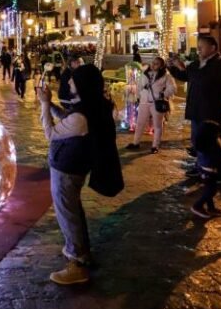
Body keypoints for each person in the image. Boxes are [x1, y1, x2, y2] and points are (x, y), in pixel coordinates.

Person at [38, 64, 117, 285]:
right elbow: (68, 118)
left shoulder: (82, 117)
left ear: (82, 85)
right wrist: (51, 105)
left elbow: (50, 133)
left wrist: (45, 105)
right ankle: (81, 251)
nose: (69, 83)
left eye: (73, 80)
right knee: (72, 210)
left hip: (67, 169)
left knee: (67, 213)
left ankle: (78, 263)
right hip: (73, 166)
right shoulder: (91, 107)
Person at [168, 35, 221, 183]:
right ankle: (201, 166)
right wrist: (172, 67)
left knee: (205, 142)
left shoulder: (219, 65)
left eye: (201, 47)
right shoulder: (199, 63)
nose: (198, 50)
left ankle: (216, 170)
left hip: (209, 112)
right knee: (198, 142)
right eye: (198, 47)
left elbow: (204, 79)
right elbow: (186, 76)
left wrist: (185, 67)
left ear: (213, 48)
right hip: (196, 110)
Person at [126, 56, 177, 153]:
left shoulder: (166, 76)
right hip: (144, 101)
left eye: (156, 63)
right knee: (140, 122)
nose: (153, 65)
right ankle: (135, 143)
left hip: (157, 102)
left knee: (157, 125)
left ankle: (155, 146)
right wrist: (139, 95)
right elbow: (139, 85)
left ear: (161, 66)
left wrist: (162, 94)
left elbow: (173, 88)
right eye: (153, 62)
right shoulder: (145, 73)